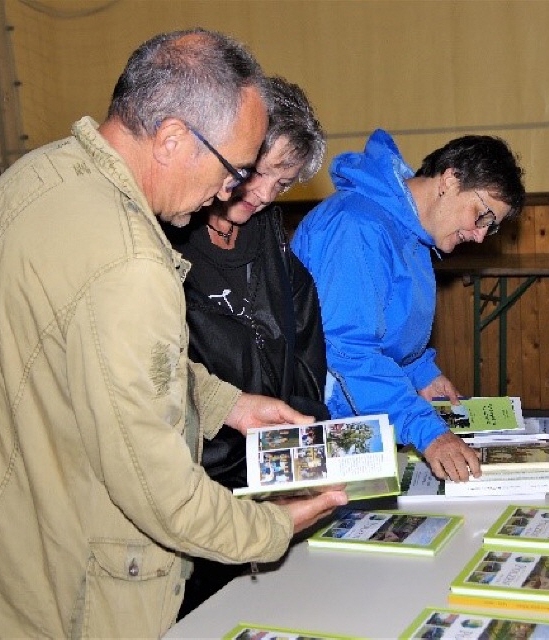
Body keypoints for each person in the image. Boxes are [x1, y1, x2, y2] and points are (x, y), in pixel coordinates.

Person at [0, 29, 347, 639]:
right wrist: (272, 529)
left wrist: (227, 402)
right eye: (234, 169)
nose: (232, 192)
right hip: (63, 594)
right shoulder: (133, 263)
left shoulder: (35, 177)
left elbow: (87, 358)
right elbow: (163, 493)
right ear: (172, 139)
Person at [164, 75, 330, 618]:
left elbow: (302, 352)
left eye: (280, 185)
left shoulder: (269, 237)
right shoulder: (171, 233)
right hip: (198, 487)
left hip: (270, 476)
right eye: (258, 173)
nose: (261, 195)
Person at [292, 130, 525, 482]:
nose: (479, 235)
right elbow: (346, 350)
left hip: (359, 415)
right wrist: (428, 432)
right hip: (326, 422)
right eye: (482, 215)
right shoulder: (355, 226)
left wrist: (422, 374)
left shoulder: (411, 234)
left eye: (490, 227)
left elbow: (385, 332)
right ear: (450, 179)